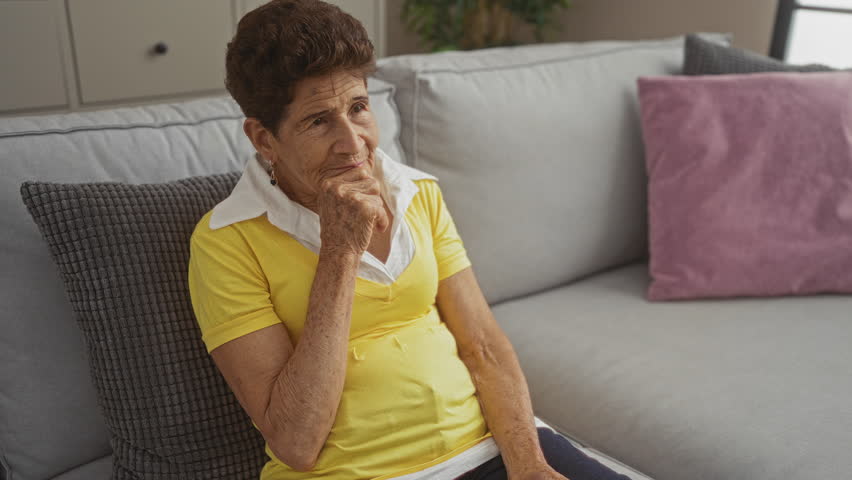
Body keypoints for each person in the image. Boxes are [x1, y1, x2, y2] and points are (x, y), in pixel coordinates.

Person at [187, 1, 634, 479]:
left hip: (489, 449)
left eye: (358, 108)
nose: (353, 142)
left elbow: (483, 345)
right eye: (318, 121)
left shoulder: (415, 192)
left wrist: (527, 465)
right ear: (263, 139)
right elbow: (295, 440)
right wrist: (339, 250)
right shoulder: (226, 242)